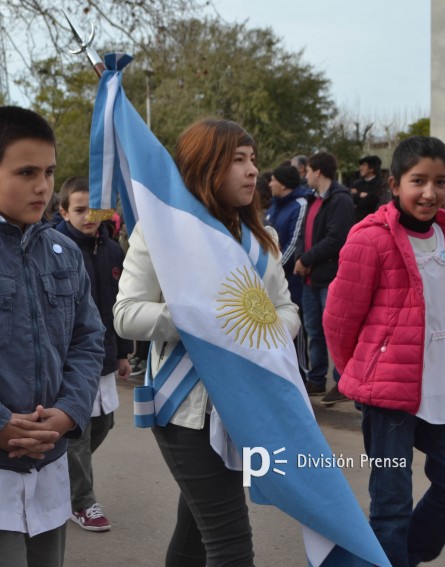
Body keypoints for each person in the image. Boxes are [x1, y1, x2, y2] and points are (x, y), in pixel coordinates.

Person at [114, 119, 300, 566]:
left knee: (197, 531)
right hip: (185, 409)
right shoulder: (161, 233)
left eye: (253, 159)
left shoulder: (264, 238)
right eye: (238, 160)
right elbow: (126, 315)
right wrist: (201, 321)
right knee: (230, 542)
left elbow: (288, 311)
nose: (253, 171)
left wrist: (259, 329)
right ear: (204, 167)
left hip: (246, 404)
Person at [323, 136, 445, 567]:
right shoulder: (369, 238)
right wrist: (358, 374)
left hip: (440, 389)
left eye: (440, 182)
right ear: (394, 184)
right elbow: (338, 320)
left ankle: (402, 558)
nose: (430, 193)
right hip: (388, 395)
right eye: (418, 181)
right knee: (391, 506)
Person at [0, 105, 104, 567]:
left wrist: (68, 412)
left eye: (48, 172)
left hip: (51, 462)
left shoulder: (63, 252)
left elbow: (89, 339)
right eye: (26, 172)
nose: (43, 186)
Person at [54, 176, 132, 533]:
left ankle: (62, 473)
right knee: (78, 431)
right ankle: (81, 502)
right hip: (70, 358)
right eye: (79, 209)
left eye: (94, 209)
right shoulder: (56, 247)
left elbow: (118, 306)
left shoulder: (113, 250)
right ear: (63, 211)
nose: (88, 217)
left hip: (104, 354)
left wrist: (123, 353)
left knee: (104, 423)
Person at [293, 151, 354, 404]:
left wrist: (306, 260)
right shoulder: (312, 199)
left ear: (317, 171)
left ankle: (343, 382)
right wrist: (300, 257)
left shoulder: (340, 200)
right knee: (314, 331)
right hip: (310, 279)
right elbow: (302, 234)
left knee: (336, 333)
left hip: (329, 278)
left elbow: (337, 239)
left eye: (307, 171)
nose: (305, 176)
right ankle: (317, 379)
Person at [267, 164, 311, 378]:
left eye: (273, 179)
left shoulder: (300, 205)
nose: (270, 184)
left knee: (297, 326)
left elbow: (294, 242)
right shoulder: (275, 205)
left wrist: (271, 267)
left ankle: (303, 373)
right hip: (274, 278)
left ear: (283, 183)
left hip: (291, 279)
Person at [351, 154, 389, 222]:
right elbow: (350, 198)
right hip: (357, 221)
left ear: (371, 168)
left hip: (373, 222)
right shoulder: (357, 183)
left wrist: (358, 196)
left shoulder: (381, 184)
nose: (360, 168)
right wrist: (360, 195)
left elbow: (374, 200)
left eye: (364, 165)